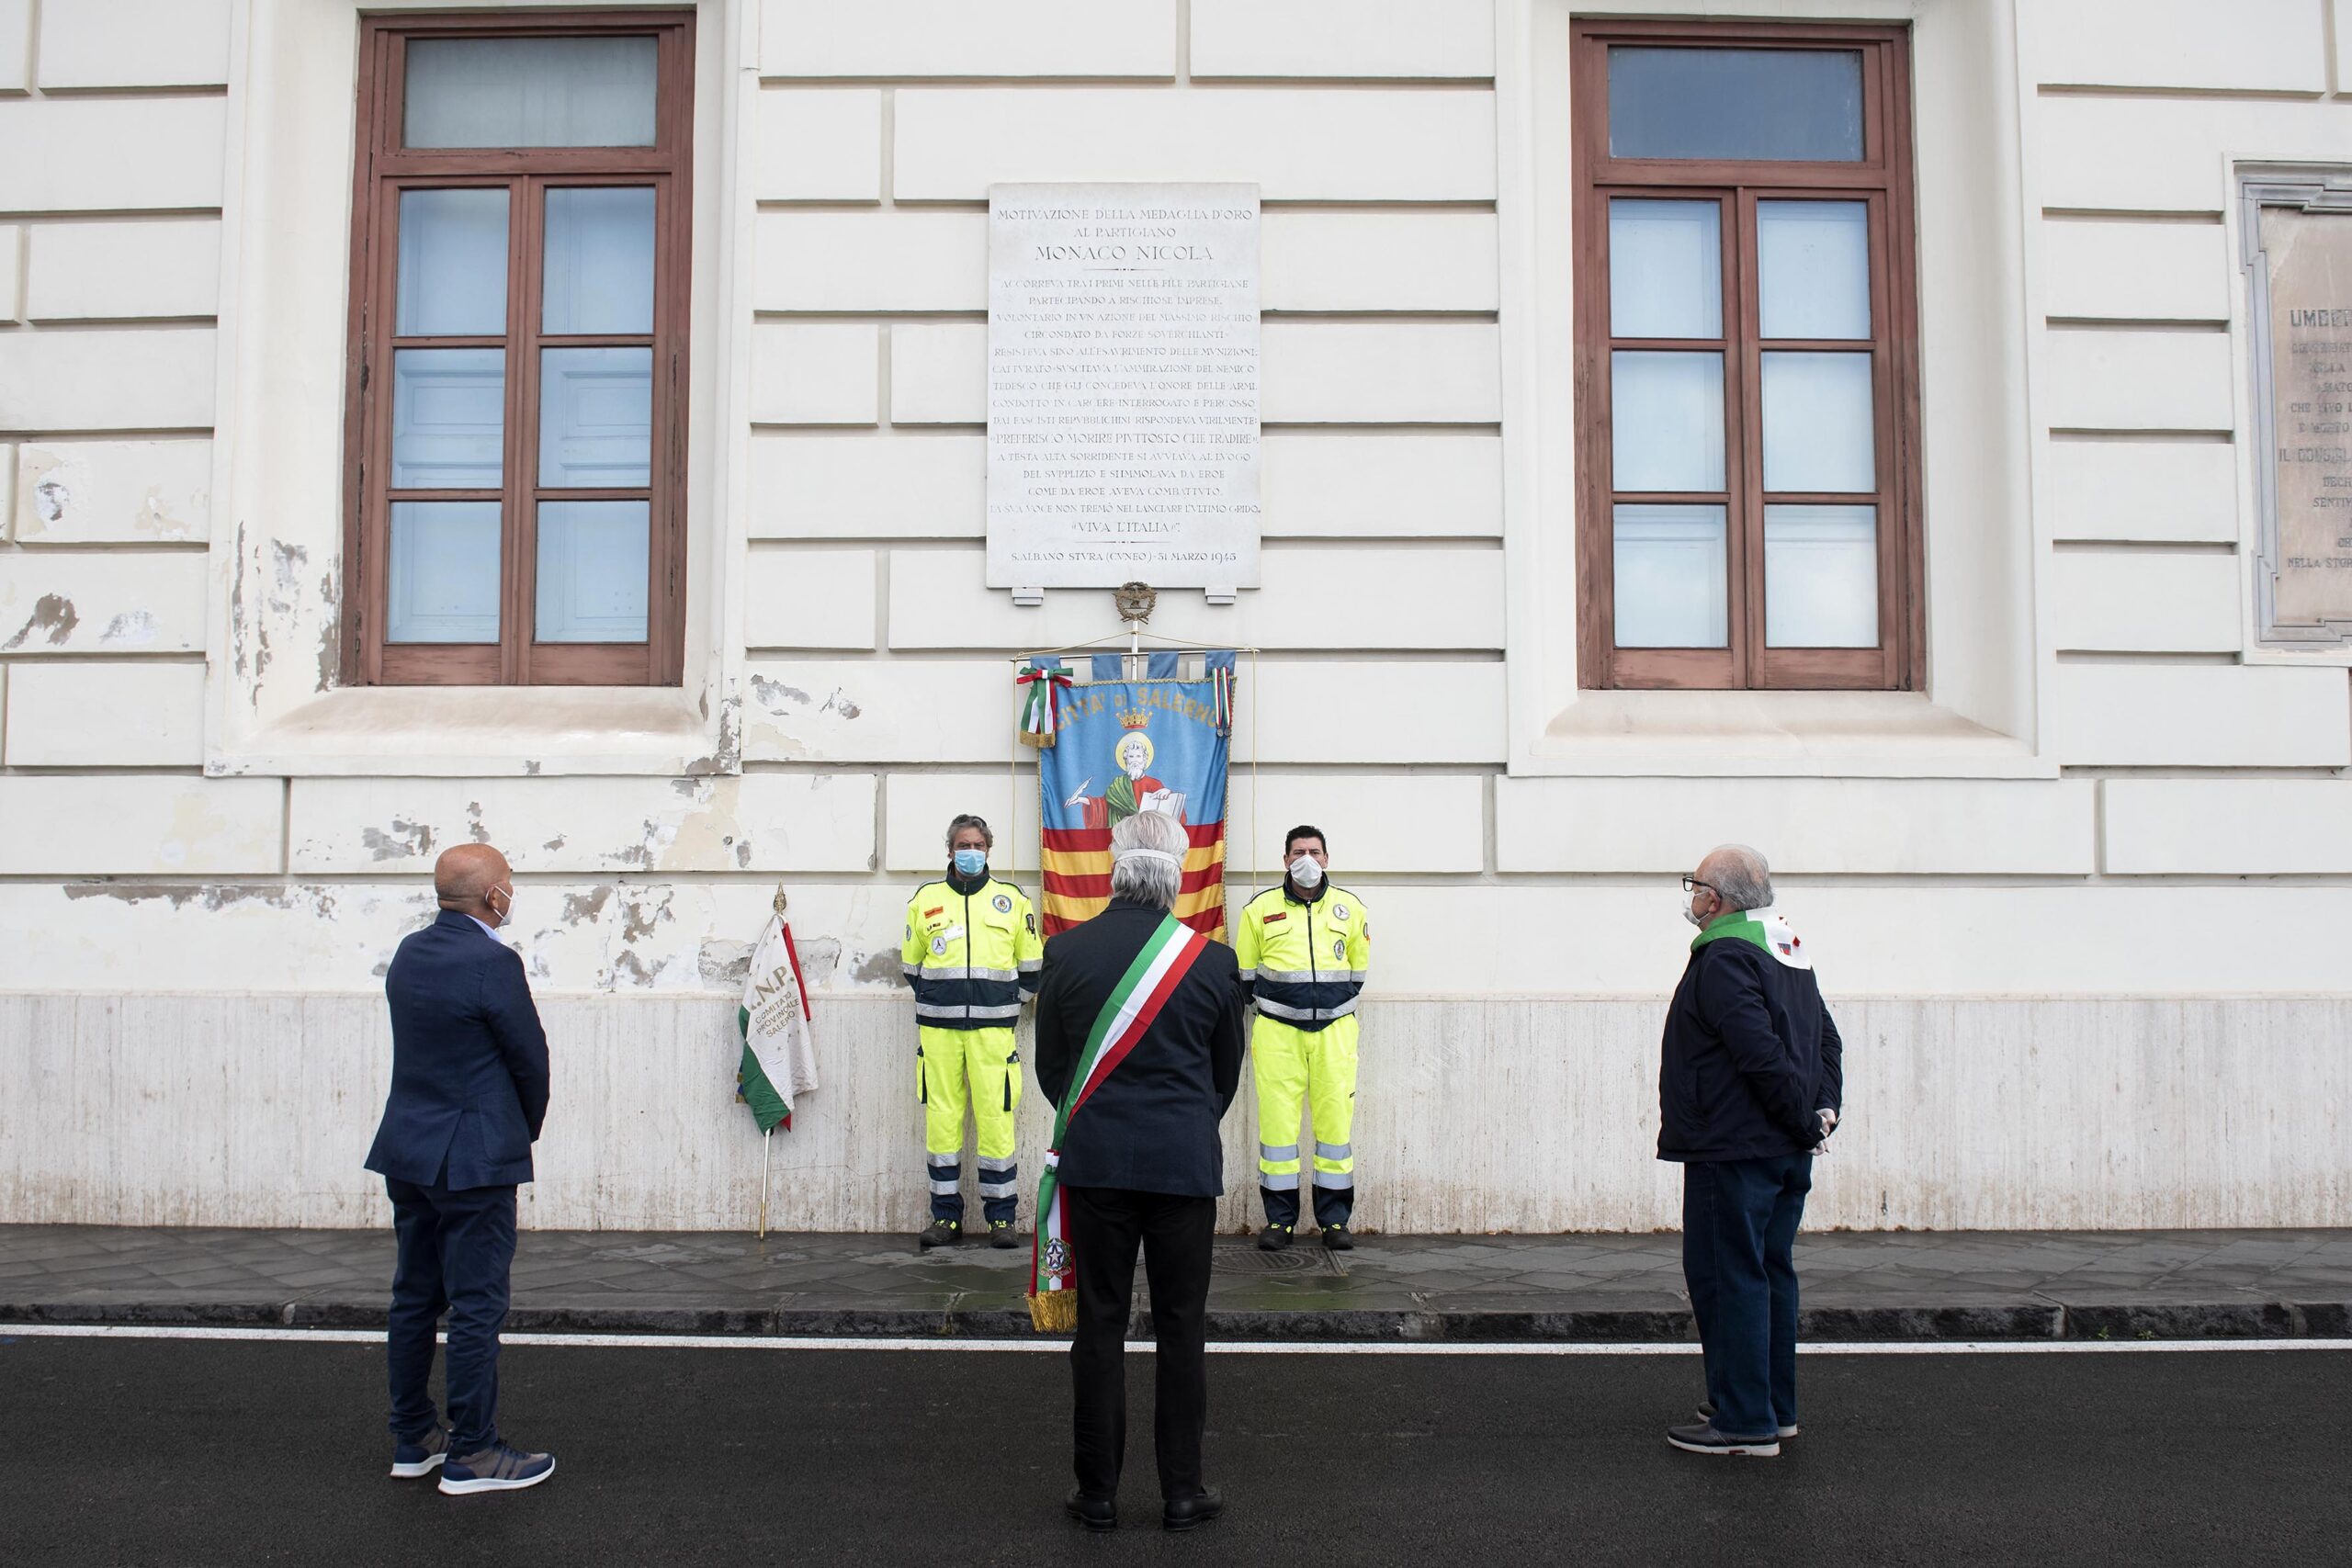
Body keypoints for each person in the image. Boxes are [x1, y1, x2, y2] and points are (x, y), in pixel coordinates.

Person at [1034, 809, 1246, 1532]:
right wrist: (1183, 1123)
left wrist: (1097, 1118)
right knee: (1182, 1328)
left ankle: (1096, 1493)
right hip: (1183, 1165)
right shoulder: (1212, 961)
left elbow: (1054, 1069)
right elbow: (1224, 1074)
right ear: (1174, 880)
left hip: (1096, 1165)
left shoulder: (1066, 952)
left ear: (1115, 872)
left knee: (1099, 1325)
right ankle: (1182, 1491)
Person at [362, 843, 556, 1495]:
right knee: (476, 1305)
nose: (512, 891)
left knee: (415, 1296)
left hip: (409, 1149)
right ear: (491, 895)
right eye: (509, 882)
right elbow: (529, 1058)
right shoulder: (493, 962)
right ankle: (474, 1452)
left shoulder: (410, 953)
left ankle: (414, 1437)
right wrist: (520, 1129)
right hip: (473, 1158)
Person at [1658, 844, 1844, 1459]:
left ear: (1716, 898)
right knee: (1769, 1274)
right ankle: (1773, 1409)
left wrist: (1799, 1119)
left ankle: (1742, 1421)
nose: (1691, 896)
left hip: (1733, 1146)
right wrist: (1819, 1114)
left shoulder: (1724, 957)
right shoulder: (1786, 949)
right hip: (1783, 1147)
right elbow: (1827, 1040)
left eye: (1695, 886)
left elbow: (1757, 1051)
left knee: (1728, 1277)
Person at [900, 813, 1044, 1249]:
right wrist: (940, 1001)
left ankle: (1002, 1219)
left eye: (978, 846)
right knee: (942, 1122)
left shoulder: (1012, 901)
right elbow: (912, 966)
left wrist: (1005, 1006)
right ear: (950, 850)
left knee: (996, 1122)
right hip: (939, 1033)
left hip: (993, 1034)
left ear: (988, 851)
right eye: (964, 845)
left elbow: (1032, 968)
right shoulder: (925, 899)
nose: (971, 852)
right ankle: (945, 1217)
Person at [1233, 826, 1370, 1250]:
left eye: (1313, 851)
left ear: (1326, 859)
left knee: (1335, 1129)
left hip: (1335, 1034)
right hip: (1277, 1034)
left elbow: (1358, 973)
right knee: (1278, 1130)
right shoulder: (1259, 909)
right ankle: (1280, 1222)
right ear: (1285, 860)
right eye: (1297, 852)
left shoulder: (1351, 908)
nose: (1306, 859)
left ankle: (1334, 1222)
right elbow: (1245, 976)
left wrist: (1329, 1008)